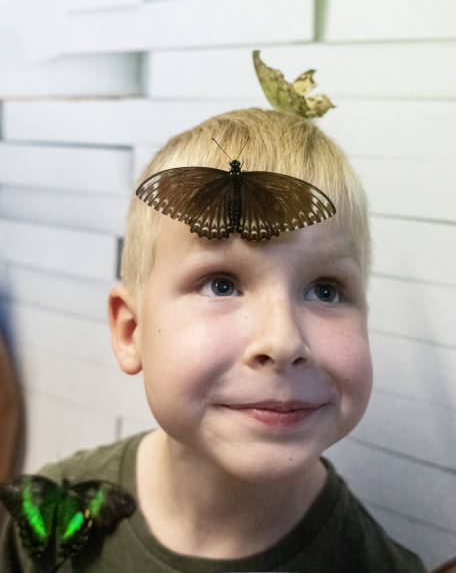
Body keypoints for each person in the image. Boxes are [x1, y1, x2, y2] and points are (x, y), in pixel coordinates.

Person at [0, 108, 428, 571]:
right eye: (221, 284)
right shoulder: (48, 516)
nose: (283, 341)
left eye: (326, 290)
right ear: (131, 331)